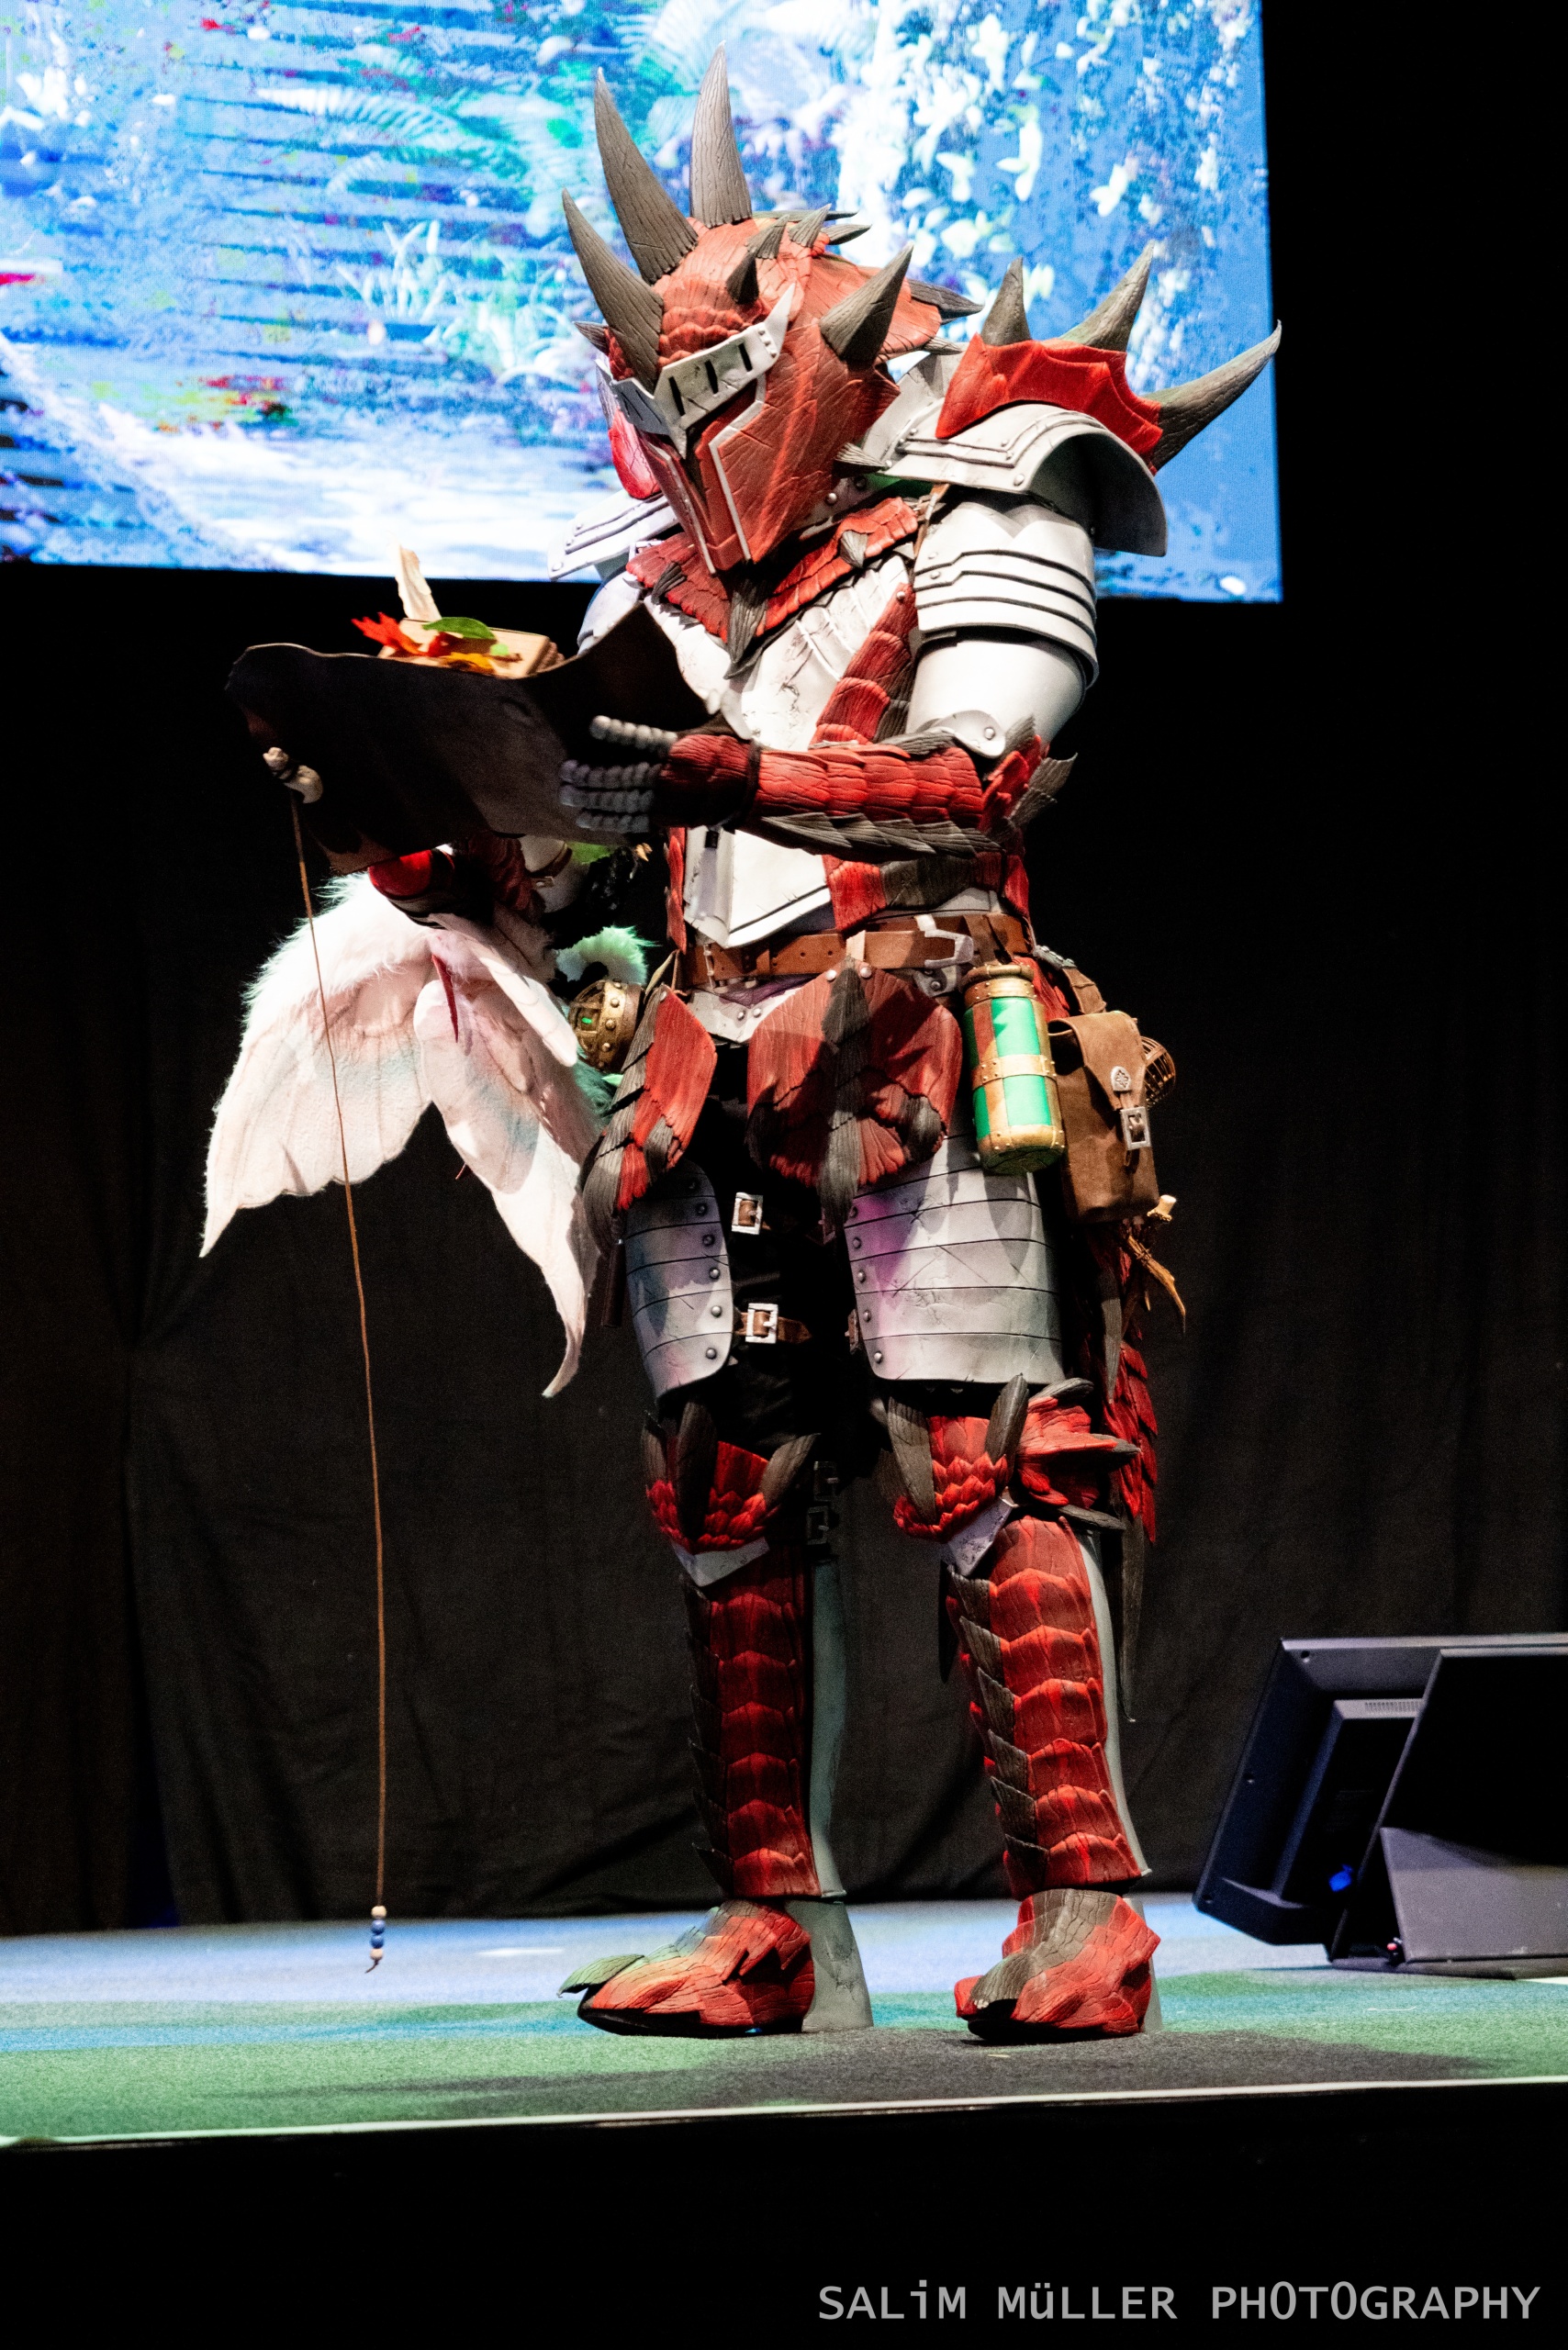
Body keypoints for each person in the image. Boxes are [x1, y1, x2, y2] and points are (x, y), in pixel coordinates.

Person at [210, 49, 1277, 2042]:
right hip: (705, 1078)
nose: (676, 426)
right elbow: (615, 857)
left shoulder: (989, 497)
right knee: (724, 1492)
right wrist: (453, 840)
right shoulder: (662, 582)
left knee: (995, 1463)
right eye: (654, 393)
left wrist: (734, 769)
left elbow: (978, 780)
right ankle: (767, 1917)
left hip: (918, 1044)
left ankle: (1084, 1908)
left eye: (702, 378)